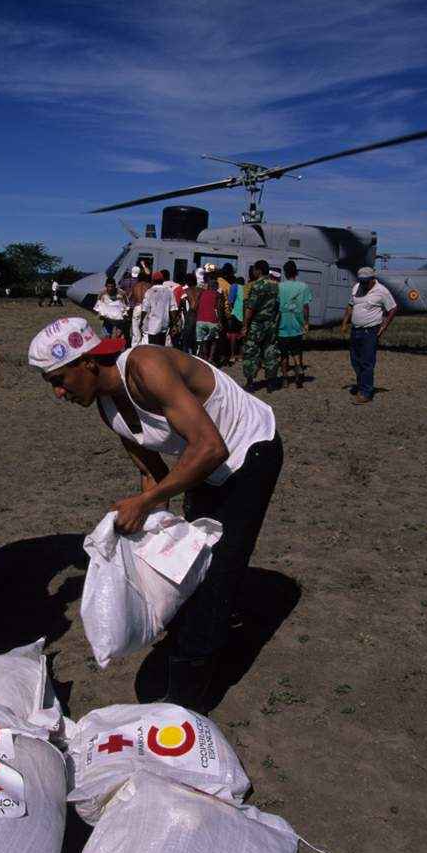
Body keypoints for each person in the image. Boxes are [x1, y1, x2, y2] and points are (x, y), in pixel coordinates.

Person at [28, 317, 282, 710]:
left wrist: (145, 503)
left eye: (59, 379)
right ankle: (191, 646)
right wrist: (144, 535)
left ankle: (187, 703)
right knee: (189, 563)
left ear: (88, 363)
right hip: (201, 463)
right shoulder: (108, 407)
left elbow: (212, 446)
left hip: (249, 452)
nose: (59, 393)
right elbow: (152, 473)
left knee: (217, 575)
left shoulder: (145, 367)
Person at [340, 266, 398, 404]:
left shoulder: (382, 291)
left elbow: (393, 308)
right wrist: (344, 323)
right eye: (361, 280)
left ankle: (366, 392)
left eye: (366, 281)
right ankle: (362, 385)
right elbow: (350, 305)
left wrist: (383, 327)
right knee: (355, 361)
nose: (363, 283)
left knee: (367, 362)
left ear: (373, 279)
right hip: (356, 330)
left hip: (370, 332)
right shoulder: (357, 288)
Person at [241, 259, 281, 392]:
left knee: (251, 352)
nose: (253, 271)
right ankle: (271, 383)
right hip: (270, 324)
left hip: (256, 324)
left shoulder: (257, 286)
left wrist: (245, 325)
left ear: (258, 270)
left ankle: (250, 382)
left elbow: (250, 308)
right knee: (270, 352)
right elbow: (276, 306)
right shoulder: (275, 285)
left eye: (254, 269)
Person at [277, 259, 313, 389]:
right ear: (296, 273)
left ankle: (285, 379)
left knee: (284, 354)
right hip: (297, 325)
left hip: (282, 325)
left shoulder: (279, 287)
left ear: (285, 273)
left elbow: (277, 306)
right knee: (297, 352)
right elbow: (305, 307)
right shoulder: (303, 286)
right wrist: (306, 322)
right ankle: (299, 371)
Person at [195, 271, 227, 363]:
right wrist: (220, 321)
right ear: (216, 287)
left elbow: (196, 307)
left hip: (200, 320)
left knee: (203, 341)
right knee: (214, 341)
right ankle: (211, 358)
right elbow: (220, 309)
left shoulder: (202, 293)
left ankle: (203, 358)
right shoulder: (218, 295)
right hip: (212, 321)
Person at [140, 271, 178, 346]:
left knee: (152, 347)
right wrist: (174, 324)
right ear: (162, 280)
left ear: (153, 281)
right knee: (161, 347)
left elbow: (145, 309)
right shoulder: (169, 291)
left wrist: (141, 321)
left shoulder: (149, 291)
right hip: (164, 325)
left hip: (152, 325)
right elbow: (173, 309)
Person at [128, 268, 151, 347]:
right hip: (146, 308)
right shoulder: (149, 286)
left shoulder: (135, 286)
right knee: (145, 330)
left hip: (137, 307)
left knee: (135, 330)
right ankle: (144, 348)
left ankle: (134, 348)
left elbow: (130, 298)